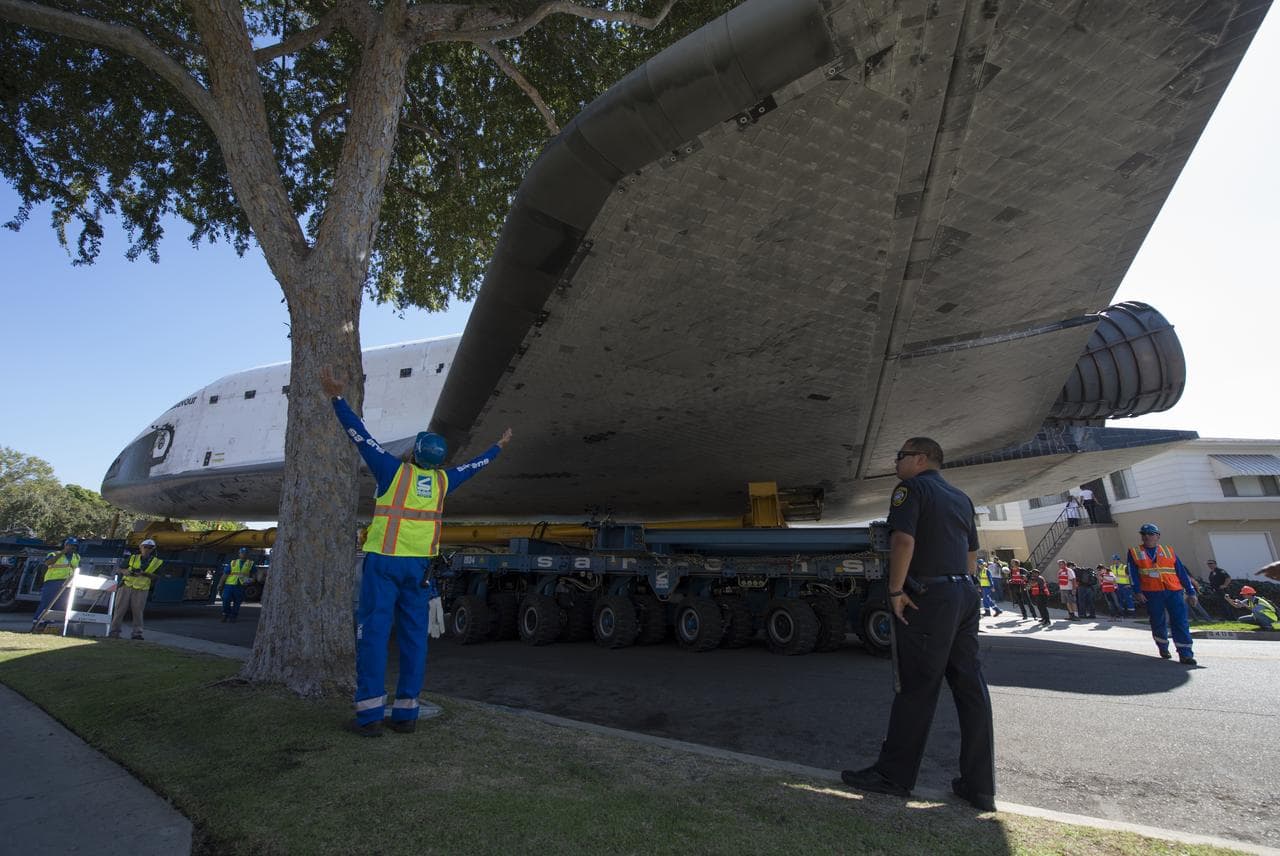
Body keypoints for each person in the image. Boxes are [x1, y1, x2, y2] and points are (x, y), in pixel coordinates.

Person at [322, 367, 512, 737]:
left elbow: (360, 436)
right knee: (413, 639)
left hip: (383, 566)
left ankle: (370, 717)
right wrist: (498, 448)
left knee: (374, 636)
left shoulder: (392, 472)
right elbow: (473, 467)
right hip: (419, 572)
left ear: (414, 451)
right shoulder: (443, 482)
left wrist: (337, 397)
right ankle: (406, 714)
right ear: (438, 460)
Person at [841, 437, 995, 812]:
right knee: (970, 687)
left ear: (921, 459)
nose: (896, 462)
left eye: (901, 456)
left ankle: (893, 776)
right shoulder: (961, 497)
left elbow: (904, 541)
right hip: (963, 594)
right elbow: (972, 551)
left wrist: (895, 590)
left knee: (915, 687)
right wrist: (966, 588)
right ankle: (979, 786)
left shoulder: (910, 489)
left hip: (930, 598)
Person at [1126, 523, 1198, 665]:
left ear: (1157, 536)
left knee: (1180, 621)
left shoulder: (1168, 551)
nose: (1147, 537)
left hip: (1173, 591)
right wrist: (1137, 591)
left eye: (1150, 534)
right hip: (1152, 593)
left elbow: (1181, 572)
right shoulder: (1134, 552)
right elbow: (1132, 574)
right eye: (1144, 534)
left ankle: (1185, 654)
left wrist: (1191, 591)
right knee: (1157, 621)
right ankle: (1163, 646)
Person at [109, 538, 163, 639]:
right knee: (119, 609)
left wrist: (145, 574)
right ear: (140, 547)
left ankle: (137, 634)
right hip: (126, 585)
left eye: (150, 548)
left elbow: (158, 577)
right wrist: (125, 572)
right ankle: (114, 632)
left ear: (153, 549)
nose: (147, 549)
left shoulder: (157, 562)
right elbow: (119, 568)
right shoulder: (133, 558)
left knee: (138, 611)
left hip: (141, 589)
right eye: (145, 547)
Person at [33, 537, 79, 631]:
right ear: (65, 545)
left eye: (74, 546)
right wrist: (62, 553)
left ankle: (52, 623)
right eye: (70, 545)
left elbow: (75, 568)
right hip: (53, 581)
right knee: (47, 602)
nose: (72, 548)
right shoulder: (54, 554)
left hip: (67, 583)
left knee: (61, 604)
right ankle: (38, 622)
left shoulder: (76, 557)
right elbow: (48, 562)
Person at [220, 547, 254, 623]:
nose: (243, 555)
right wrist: (220, 584)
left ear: (248, 554)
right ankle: (226, 614)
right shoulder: (233, 562)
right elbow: (225, 574)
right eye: (242, 553)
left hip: (241, 586)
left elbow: (254, 575)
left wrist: (251, 580)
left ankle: (233, 617)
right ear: (239, 554)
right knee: (226, 599)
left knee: (237, 602)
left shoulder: (250, 564)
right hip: (229, 584)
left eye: (245, 553)